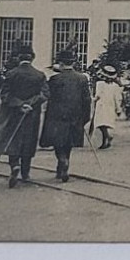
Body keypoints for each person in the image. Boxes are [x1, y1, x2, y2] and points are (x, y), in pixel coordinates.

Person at [0, 46, 47, 188]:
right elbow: (45, 94)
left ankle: (14, 166)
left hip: (13, 113)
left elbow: (4, 95)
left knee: (13, 139)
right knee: (29, 141)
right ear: (33, 58)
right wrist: (30, 104)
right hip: (32, 114)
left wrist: (20, 105)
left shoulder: (11, 74)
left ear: (19, 58)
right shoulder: (40, 75)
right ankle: (25, 173)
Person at [39, 50, 92, 182]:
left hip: (57, 116)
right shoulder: (82, 79)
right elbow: (87, 99)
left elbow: (49, 97)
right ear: (73, 63)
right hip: (75, 115)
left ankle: (62, 160)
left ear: (61, 64)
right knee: (68, 141)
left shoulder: (54, 79)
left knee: (58, 142)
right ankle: (65, 162)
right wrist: (85, 117)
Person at [92, 64, 124, 150]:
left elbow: (117, 98)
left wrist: (118, 108)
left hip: (105, 106)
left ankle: (106, 139)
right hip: (106, 106)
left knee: (104, 124)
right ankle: (105, 140)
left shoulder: (111, 86)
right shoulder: (101, 84)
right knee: (102, 124)